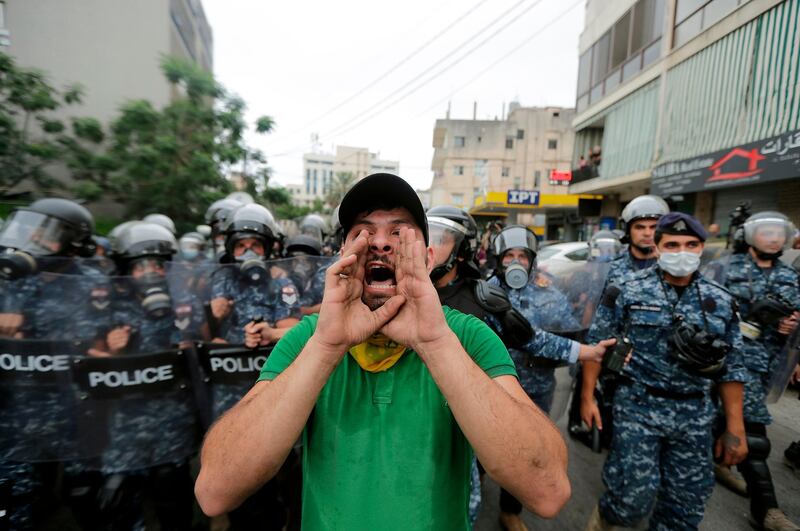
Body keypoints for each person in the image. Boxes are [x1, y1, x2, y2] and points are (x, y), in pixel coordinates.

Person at [195, 172, 571, 530]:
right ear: (341, 254)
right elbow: (215, 491)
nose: (380, 243)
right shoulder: (308, 338)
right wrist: (327, 347)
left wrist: (435, 343)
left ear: (426, 258)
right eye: (363, 233)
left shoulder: (466, 337)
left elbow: (547, 490)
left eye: (398, 232)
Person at [582, 212, 749, 531]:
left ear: (702, 248)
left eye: (691, 244)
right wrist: (588, 398)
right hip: (638, 407)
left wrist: (735, 427)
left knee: (683, 510)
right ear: (657, 248)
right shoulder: (625, 291)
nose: (682, 251)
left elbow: (732, 369)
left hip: (695, 415)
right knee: (631, 501)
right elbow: (597, 347)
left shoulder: (721, 300)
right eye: (672, 244)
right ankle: (605, 518)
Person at [487, 225, 616, 531]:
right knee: (482, 448)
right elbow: (519, 337)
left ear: (532, 260)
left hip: (537, 387)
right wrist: (584, 351)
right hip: (494, 388)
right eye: (509, 256)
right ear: (498, 259)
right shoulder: (485, 292)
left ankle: (510, 511)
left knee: (526, 454)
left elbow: (566, 327)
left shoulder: (548, 290)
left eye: (523, 256)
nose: (516, 262)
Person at [83, 221, 202, 531]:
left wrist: (190, 346)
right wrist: (110, 351)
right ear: (126, 269)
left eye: (157, 264)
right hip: (122, 424)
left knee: (172, 498)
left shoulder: (185, 303)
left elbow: (203, 347)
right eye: (140, 266)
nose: (150, 272)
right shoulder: (108, 307)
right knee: (118, 503)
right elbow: (85, 359)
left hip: (172, 420)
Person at [0, 198, 107, 530]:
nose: (34, 239)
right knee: (15, 502)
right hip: (14, 412)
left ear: (74, 244)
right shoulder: (9, 276)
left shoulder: (91, 282)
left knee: (86, 497)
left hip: (74, 410)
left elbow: (100, 345)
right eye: (31, 230)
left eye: (47, 234)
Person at [206, 202, 301, 530]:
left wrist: (270, 332)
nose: (248, 251)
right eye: (241, 245)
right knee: (233, 458)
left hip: (271, 384)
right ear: (230, 248)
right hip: (229, 386)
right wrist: (212, 316)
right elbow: (198, 337)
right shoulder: (219, 279)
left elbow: (295, 326)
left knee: (279, 465)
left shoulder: (283, 282)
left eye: (255, 245)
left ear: (268, 247)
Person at [714, 211, 800, 530]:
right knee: (752, 431)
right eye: (767, 232)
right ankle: (767, 510)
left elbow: (794, 315)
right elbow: (706, 309)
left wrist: (791, 330)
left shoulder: (789, 275)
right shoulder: (726, 268)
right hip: (730, 357)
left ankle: (721, 459)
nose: (774, 239)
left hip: (767, 361)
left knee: (725, 418)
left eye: (780, 233)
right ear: (750, 236)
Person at [606, 194, 670, 286]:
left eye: (654, 227)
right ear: (628, 231)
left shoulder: (673, 264)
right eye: (639, 227)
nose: (647, 233)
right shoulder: (610, 266)